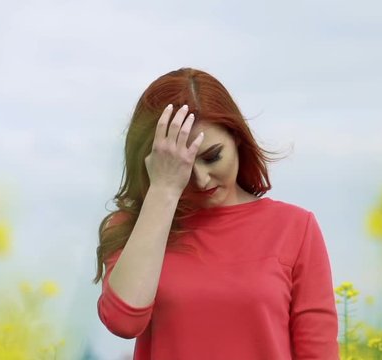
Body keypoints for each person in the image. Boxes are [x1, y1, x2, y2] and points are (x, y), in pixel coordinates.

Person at [93, 67, 339, 359]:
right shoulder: (131, 228)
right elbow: (124, 321)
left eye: (212, 157)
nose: (201, 179)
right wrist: (163, 191)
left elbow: (318, 353)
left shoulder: (295, 228)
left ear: (236, 137)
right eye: (181, 165)